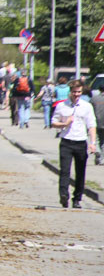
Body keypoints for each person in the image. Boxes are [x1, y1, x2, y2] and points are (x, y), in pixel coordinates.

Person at [50, 80, 97, 208]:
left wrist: (92, 143)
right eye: (74, 92)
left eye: (79, 92)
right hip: (66, 142)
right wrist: (64, 124)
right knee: (65, 170)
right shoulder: (61, 106)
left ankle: (77, 198)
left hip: (81, 142)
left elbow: (92, 125)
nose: (77, 94)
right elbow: (53, 122)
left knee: (80, 172)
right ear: (70, 92)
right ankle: (64, 195)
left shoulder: (87, 106)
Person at [92, 87, 104, 165]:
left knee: (97, 138)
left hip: (96, 122)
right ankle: (102, 159)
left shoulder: (94, 99)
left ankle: (97, 151)